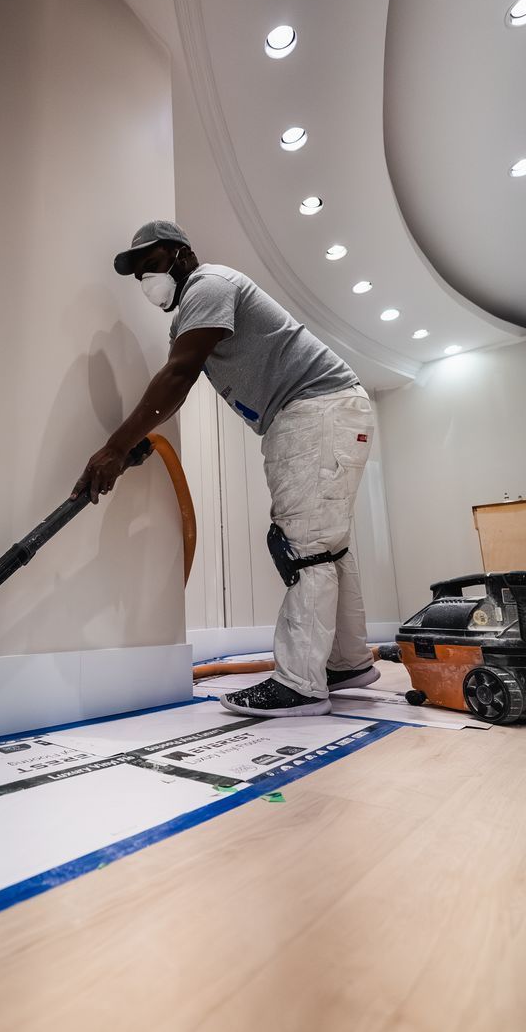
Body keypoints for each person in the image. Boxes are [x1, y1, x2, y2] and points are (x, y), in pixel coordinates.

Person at [72, 220, 379, 719]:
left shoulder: (208, 285)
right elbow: (181, 377)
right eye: (138, 275)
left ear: (180, 254)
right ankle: (345, 662)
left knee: (302, 548)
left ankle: (300, 684)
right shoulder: (194, 307)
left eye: (151, 266)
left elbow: (179, 373)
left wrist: (113, 448)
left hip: (313, 409)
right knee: (325, 546)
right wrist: (133, 445)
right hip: (321, 411)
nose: (147, 281)